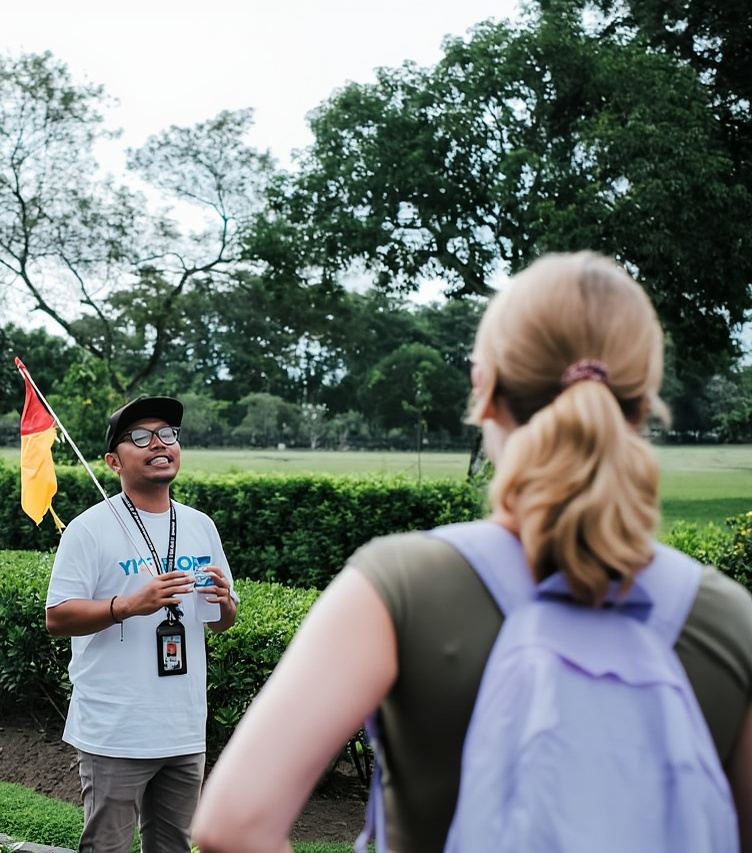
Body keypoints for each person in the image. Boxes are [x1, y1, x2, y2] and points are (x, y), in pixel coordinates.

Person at [192, 252, 752, 852]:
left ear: (483, 389)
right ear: (644, 401)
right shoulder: (727, 618)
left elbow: (234, 825)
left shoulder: (401, 585)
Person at [45, 395, 239, 853]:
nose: (159, 443)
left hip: (183, 728)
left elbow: (221, 621)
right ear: (113, 461)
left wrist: (224, 604)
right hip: (116, 731)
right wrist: (128, 605)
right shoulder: (89, 529)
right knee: (107, 848)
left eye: (168, 434)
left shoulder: (200, 526)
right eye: (140, 437)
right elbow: (57, 617)